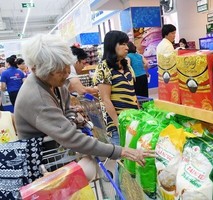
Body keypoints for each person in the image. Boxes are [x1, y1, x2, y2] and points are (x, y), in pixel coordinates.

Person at [14, 34, 155, 180]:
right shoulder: (37, 97)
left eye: (67, 67)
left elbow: (67, 110)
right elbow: (71, 138)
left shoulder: (56, 84)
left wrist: (72, 118)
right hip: (42, 166)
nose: (67, 73)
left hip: (58, 155)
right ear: (39, 70)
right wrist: (120, 151)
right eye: (60, 71)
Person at [93, 30, 139, 146]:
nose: (127, 47)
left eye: (126, 44)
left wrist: (139, 115)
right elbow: (106, 100)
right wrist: (118, 125)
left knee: (135, 157)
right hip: (117, 124)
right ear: (112, 45)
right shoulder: (104, 68)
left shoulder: (126, 66)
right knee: (123, 158)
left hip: (133, 121)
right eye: (122, 44)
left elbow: (132, 93)